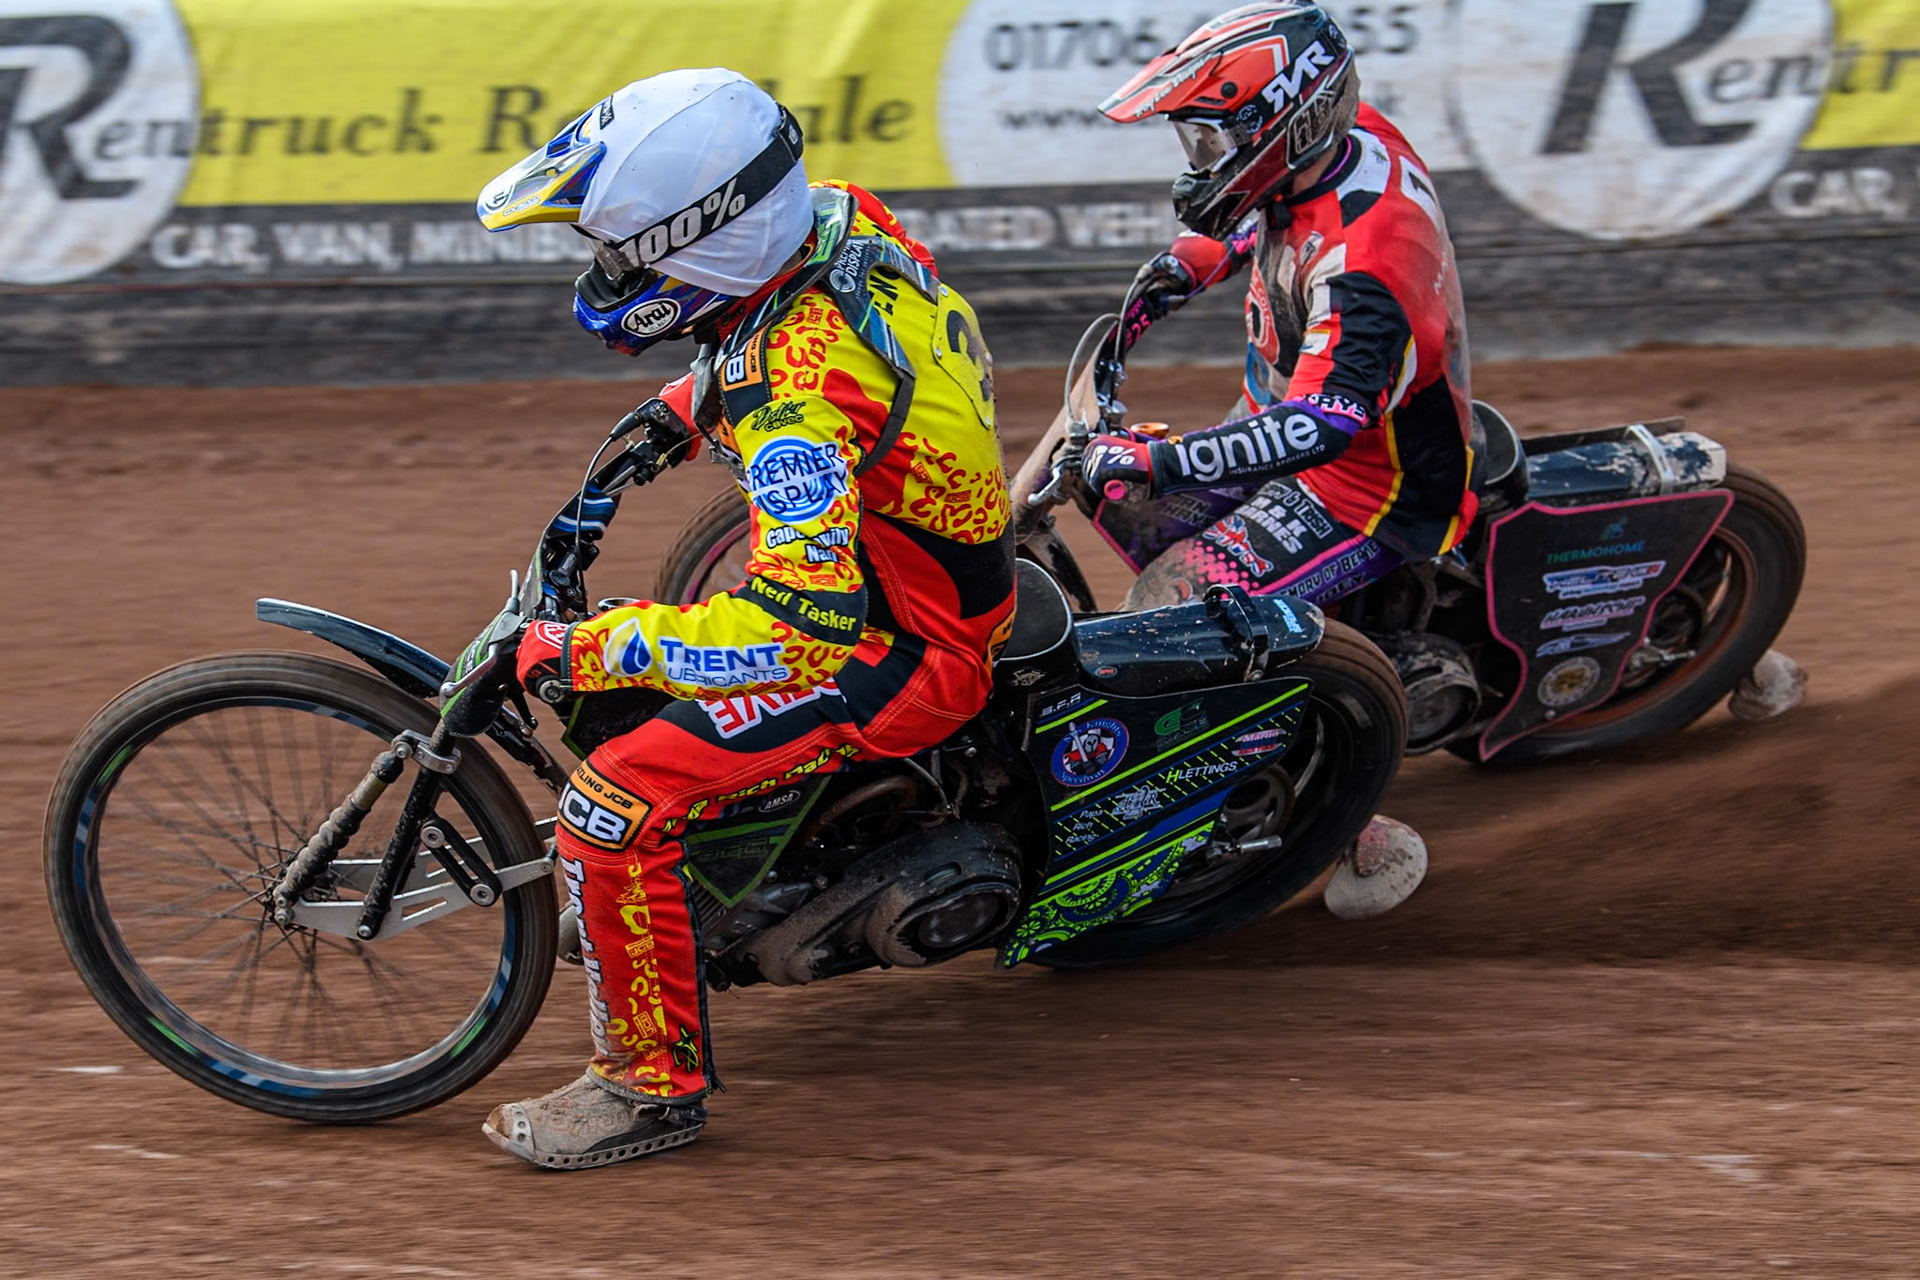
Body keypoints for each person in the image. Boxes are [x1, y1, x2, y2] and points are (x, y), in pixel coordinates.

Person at [472, 68, 1014, 1169]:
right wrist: (667, 424)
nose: (607, 271)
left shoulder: (795, 409)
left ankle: (646, 1087)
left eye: (624, 251)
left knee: (613, 800)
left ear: (698, 238)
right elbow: (775, 330)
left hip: (901, 643)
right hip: (906, 545)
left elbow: (793, 629)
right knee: (663, 652)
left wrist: (587, 640)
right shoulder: (837, 219)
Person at [1080, 2, 1478, 612]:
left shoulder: (1367, 263)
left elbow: (1322, 423)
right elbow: (1274, 212)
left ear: (1283, 125)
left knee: (1159, 610)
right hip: (1281, 417)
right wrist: (1189, 265)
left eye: (1212, 141)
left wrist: (1161, 460)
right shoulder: (1347, 137)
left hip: (1363, 486)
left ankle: (1307, 692)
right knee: (1109, 490)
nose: (1201, 162)